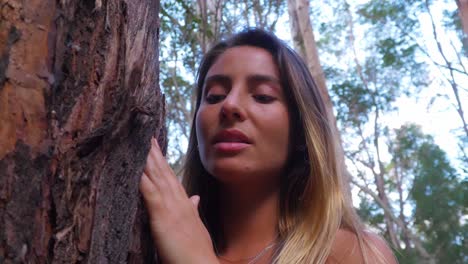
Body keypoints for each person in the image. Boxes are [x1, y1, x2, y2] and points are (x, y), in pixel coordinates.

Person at [140, 28, 397, 264]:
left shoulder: (354, 253)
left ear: (300, 132)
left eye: (263, 96)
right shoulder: (149, 245)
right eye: (214, 96)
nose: (229, 106)